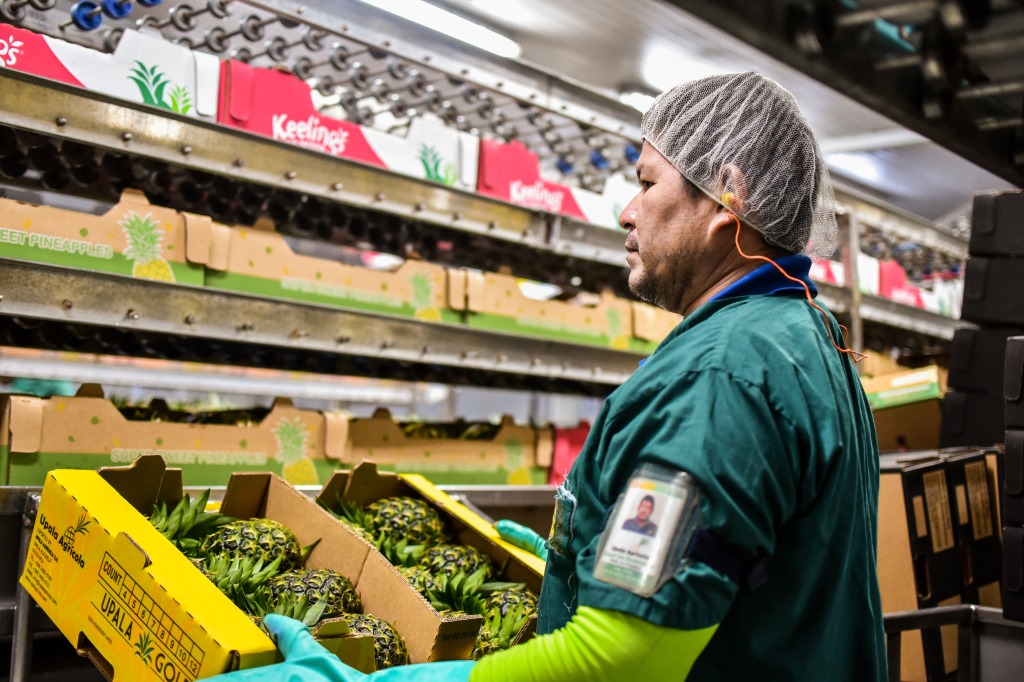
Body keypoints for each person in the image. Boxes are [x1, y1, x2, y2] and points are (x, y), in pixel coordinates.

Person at [208, 71, 886, 681]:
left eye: (648, 182)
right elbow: (750, 565)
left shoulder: (722, 374)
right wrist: (579, 557)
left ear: (727, 198)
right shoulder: (807, 338)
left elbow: (627, 657)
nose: (627, 210)